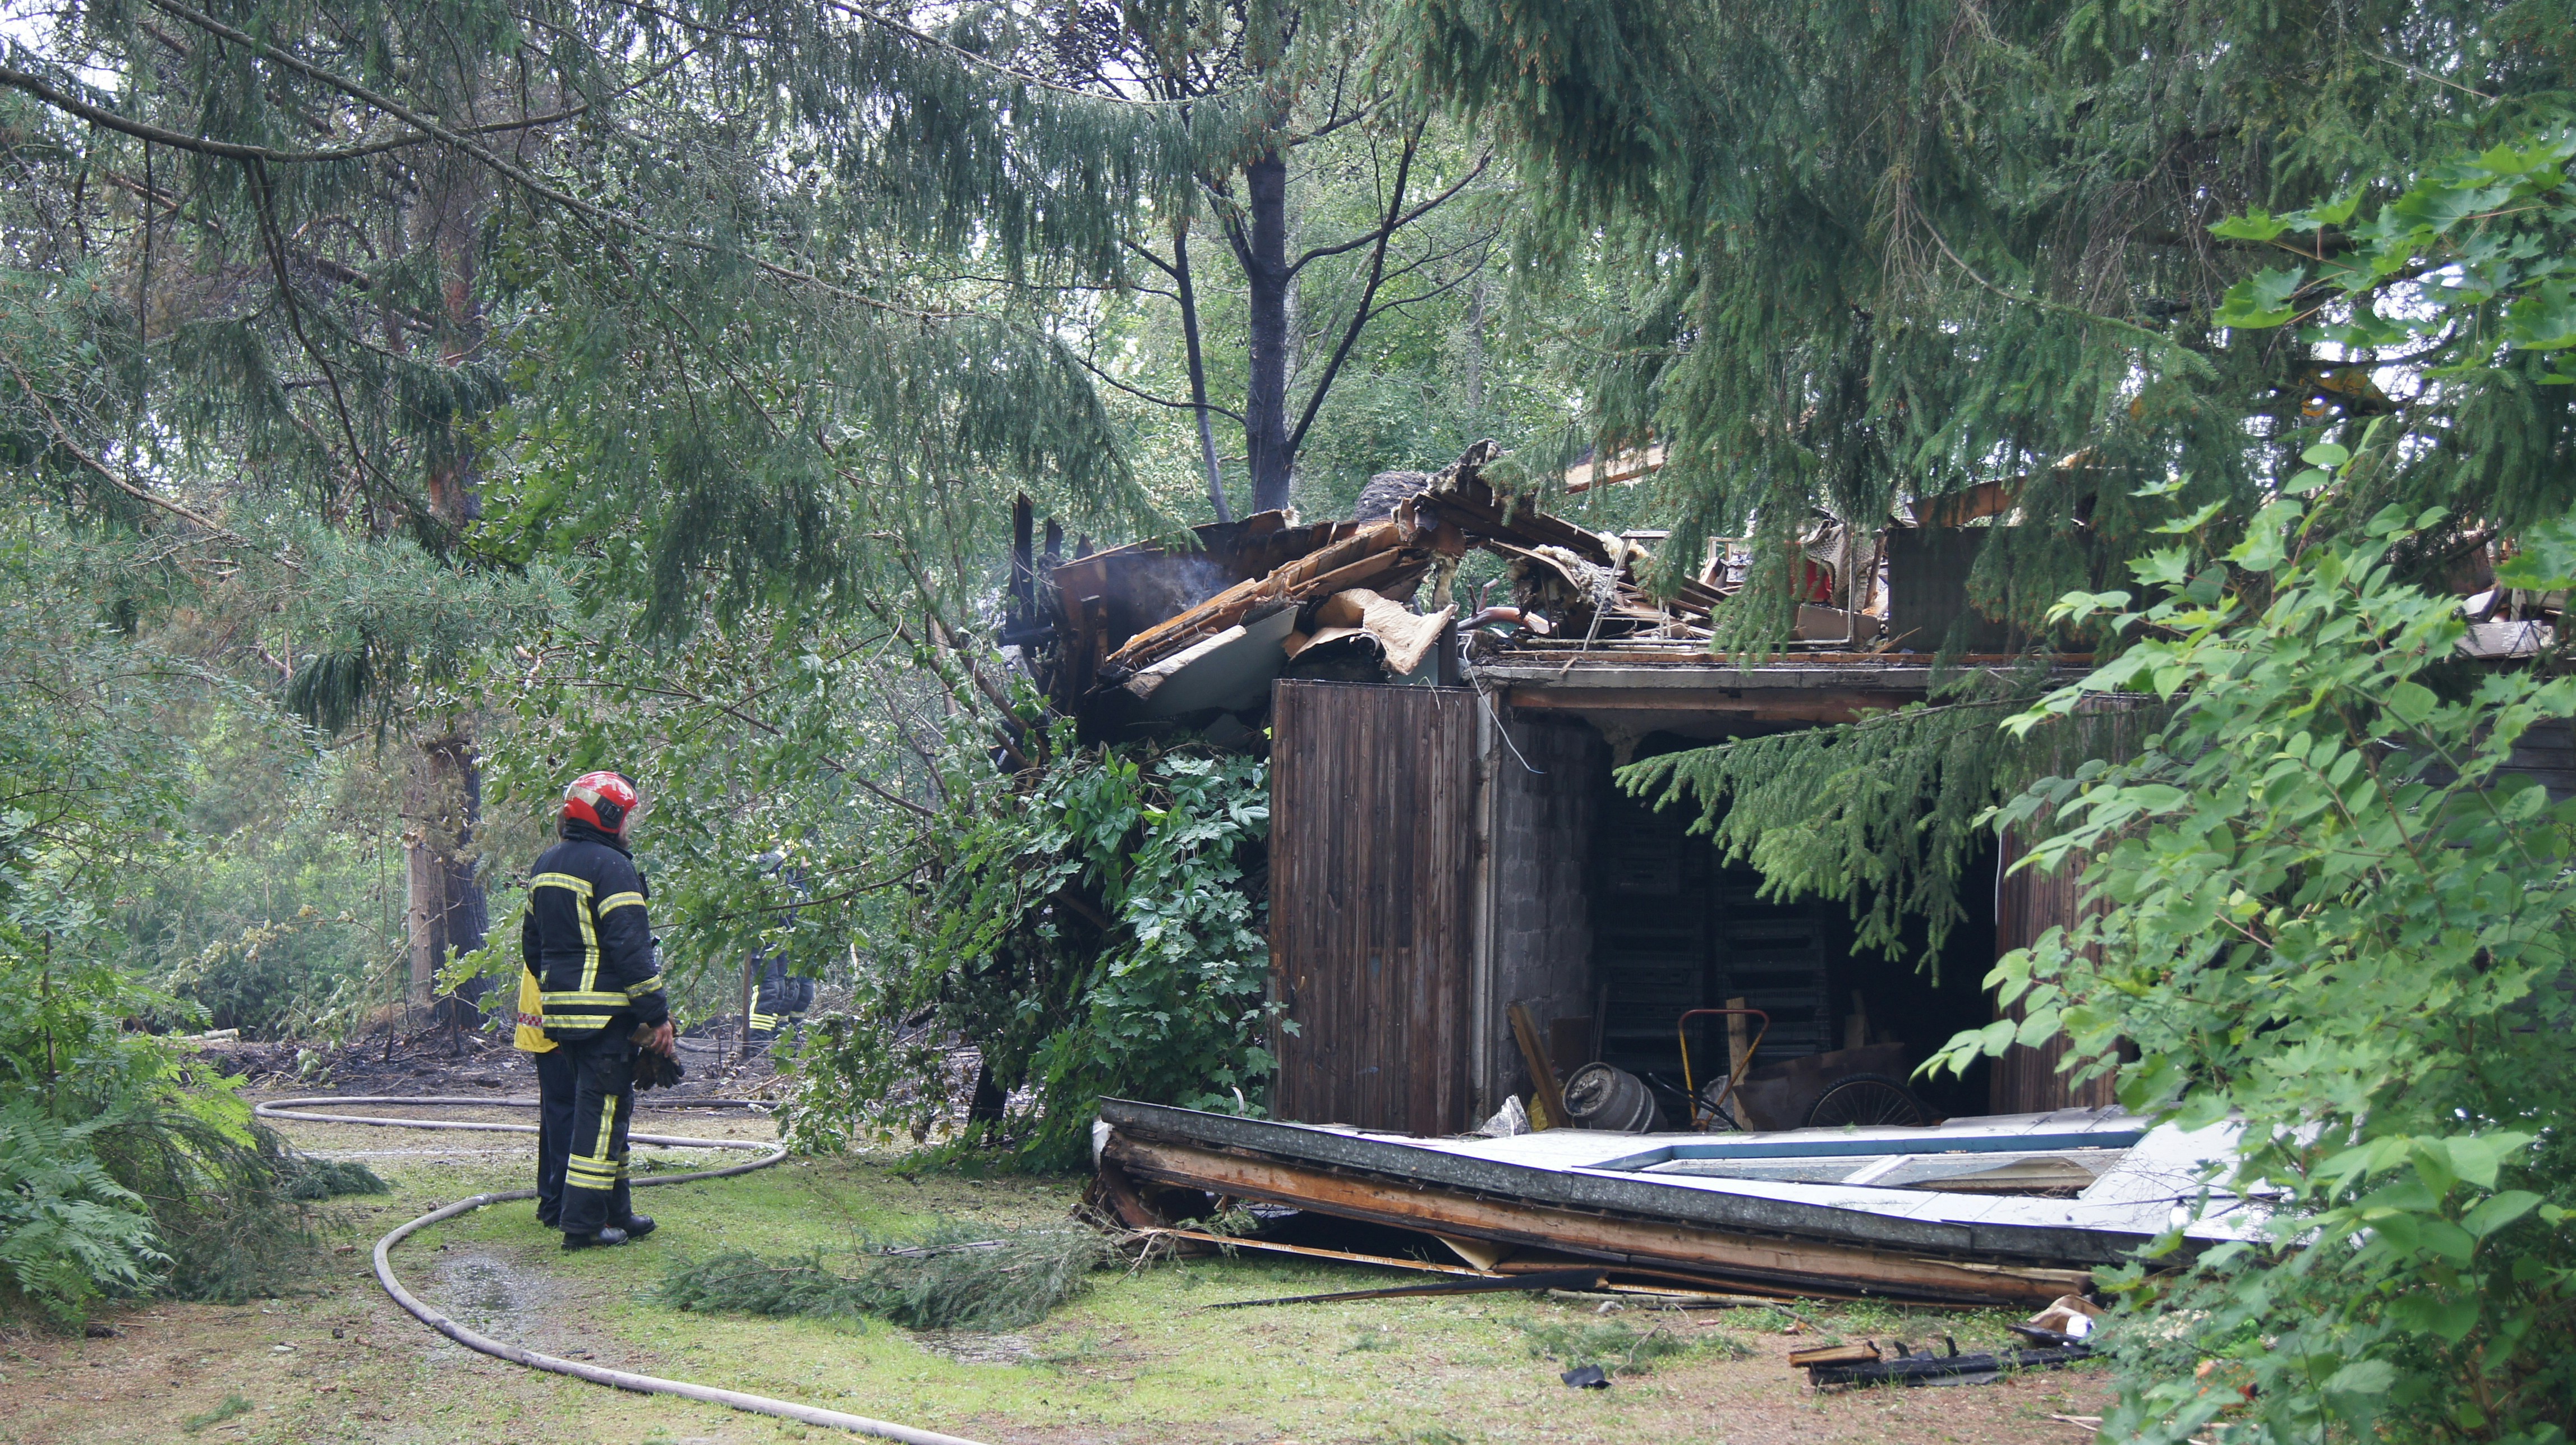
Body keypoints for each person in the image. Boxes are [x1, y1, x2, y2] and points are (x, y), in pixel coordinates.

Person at [523, 770, 676, 1249]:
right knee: (601, 1112)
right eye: (626, 816)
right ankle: (583, 1226)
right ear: (608, 816)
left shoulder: (546, 864)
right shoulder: (611, 867)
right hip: (607, 1014)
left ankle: (618, 1212)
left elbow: (533, 948)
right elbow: (632, 949)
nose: (629, 826)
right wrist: (656, 1015)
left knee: (611, 1110)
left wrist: (564, 990)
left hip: (564, 1016)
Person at [509, 952, 576, 1230]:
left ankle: (551, 1201)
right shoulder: (561, 913)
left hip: (549, 1026)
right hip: (557, 1029)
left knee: (555, 1118)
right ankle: (559, 1206)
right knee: (564, 1120)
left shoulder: (544, 911)